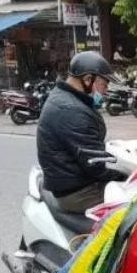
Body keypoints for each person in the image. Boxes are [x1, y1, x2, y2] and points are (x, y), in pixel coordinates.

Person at [37, 51, 122, 213]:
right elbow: (96, 164)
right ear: (88, 79)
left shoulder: (64, 96)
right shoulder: (72, 111)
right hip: (78, 193)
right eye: (104, 85)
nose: (105, 91)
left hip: (76, 182)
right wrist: (130, 175)